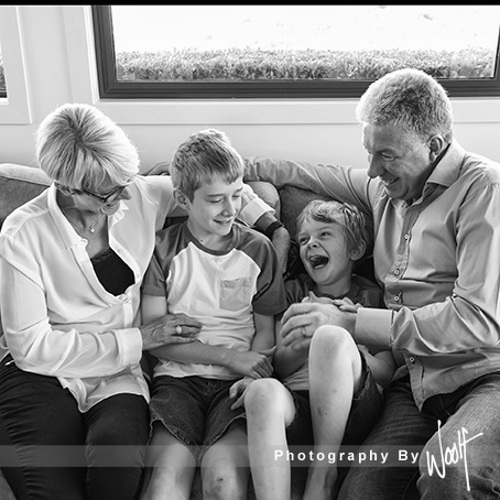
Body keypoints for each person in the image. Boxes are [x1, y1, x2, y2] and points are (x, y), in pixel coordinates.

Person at [0, 103, 288, 500]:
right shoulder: (22, 234)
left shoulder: (136, 194)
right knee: (48, 492)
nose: (123, 198)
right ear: (67, 188)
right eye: (109, 194)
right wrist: (140, 339)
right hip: (43, 374)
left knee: (116, 477)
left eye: (125, 182)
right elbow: (31, 348)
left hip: (119, 375)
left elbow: (215, 185)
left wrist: (272, 227)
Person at [243, 68, 500, 499]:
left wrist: (352, 322)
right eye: (369, 152)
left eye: (386, 155)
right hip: (414, 384)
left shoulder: (484, 190)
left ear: (435, 146)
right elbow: (303, 172)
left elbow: (477, 320)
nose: (373, 168)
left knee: (450, 470)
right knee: (359, 493)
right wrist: (226, 171)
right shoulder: (383, 191)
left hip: (485, 376)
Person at [139, 129, 287, 500]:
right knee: (163, 484)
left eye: (236, 195)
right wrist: (228, 356)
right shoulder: (162, 250)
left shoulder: (259, 250)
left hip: (234, 386)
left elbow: (265, 331)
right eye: (216, 200)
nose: (230, 209)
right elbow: (156, 340)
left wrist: (251, 371)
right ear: (183, 200)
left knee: (223, 482)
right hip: (177, 381)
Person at [230, 199, 394, 500]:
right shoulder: (294, 292)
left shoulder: (370, 297)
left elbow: (386, 370)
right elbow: (280, 364)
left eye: (324, 235)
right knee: (262, 391)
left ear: (356, 250)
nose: (311, 244)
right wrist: (301, 344)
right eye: (304, 239)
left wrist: (349, 341)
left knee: (330, 337)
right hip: (299, 406)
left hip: (352, 409)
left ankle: (323, 475)